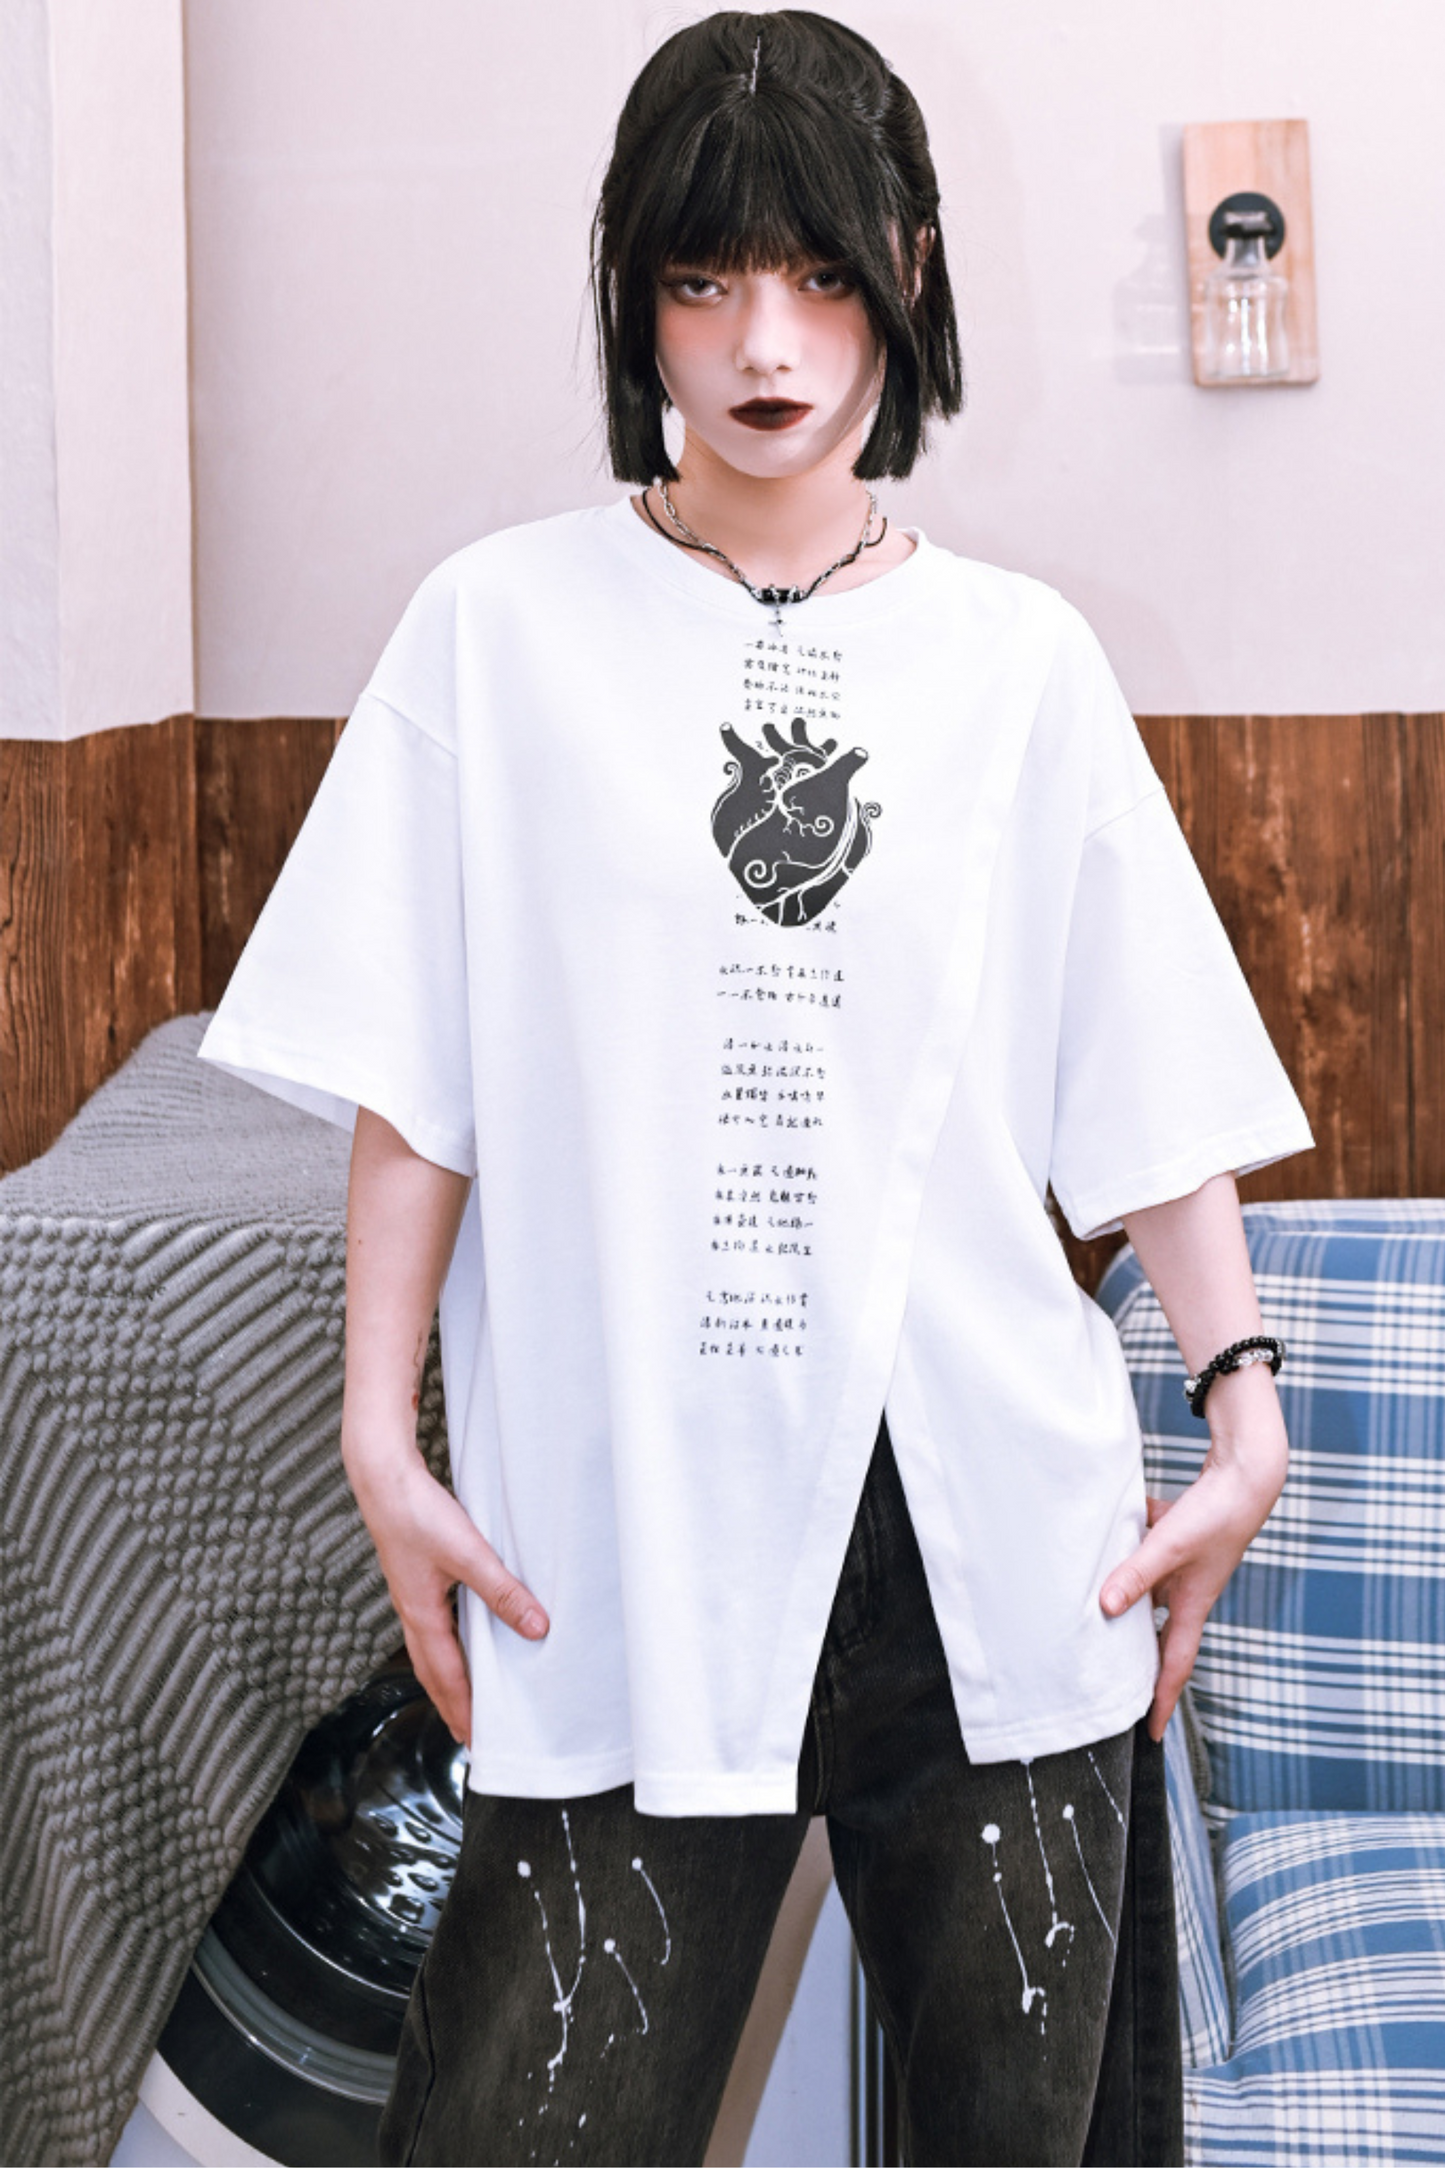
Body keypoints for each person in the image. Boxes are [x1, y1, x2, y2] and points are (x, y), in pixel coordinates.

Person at [198, 12, 1313, 2163]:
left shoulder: (1019, 663)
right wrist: (376, 1424)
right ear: (632, 295)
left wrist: (1239, 1400)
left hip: (989, 1541)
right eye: (701, 280)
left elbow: (1140, 1068)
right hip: (627, 1519)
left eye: (816, 274)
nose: (763, 344)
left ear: (908, 272)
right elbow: (419, 1065)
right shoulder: (496, 630)